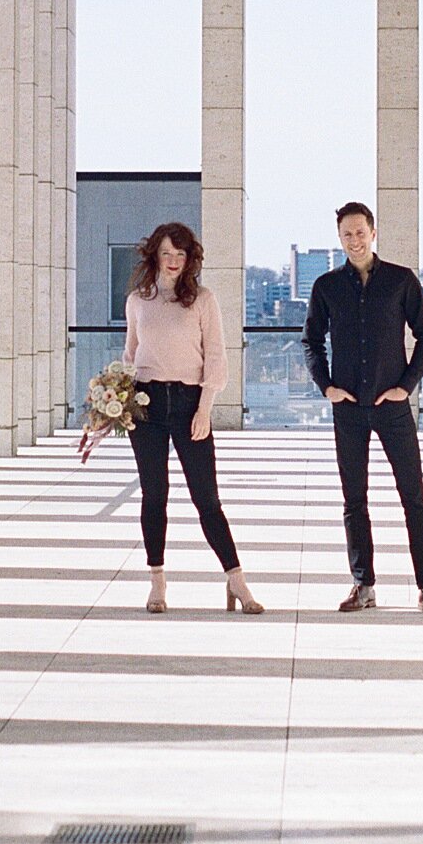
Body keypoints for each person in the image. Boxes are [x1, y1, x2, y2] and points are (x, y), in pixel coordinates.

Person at [302, 202, 423, 615]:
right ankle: (363, 585)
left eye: (360, 232)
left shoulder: (401, 281)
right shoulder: (326, 286)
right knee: (354, 500)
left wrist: (405, 386)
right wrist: (327, 386)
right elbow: (310, 342)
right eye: (346, 235)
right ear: (339, 239)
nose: (354, 240)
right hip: (348, 409)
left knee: (414, 497)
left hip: (392, 407)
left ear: (373, 233)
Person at [121, 221, 263, 616]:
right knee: (154, 495)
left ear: (190, 259)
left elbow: (216, 356)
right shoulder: (137, 300)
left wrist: (205, 409)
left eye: (180, 255)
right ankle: (157, 583)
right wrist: (114, 397)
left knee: (207, 498)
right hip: (145, 405)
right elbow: (131, 355)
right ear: (154, 255)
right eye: (166, 253)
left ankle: (236, 580)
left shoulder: (202, 299)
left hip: (188, 404)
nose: (173, 261)